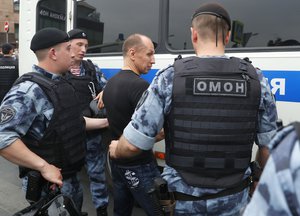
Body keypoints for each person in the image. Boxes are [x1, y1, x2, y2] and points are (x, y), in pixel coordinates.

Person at [109, 3, 278, 215]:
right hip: (235, 201)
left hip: (183, 203)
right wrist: (260, 180)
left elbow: (134, 144)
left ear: (194, 35)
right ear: (227, 37)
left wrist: (117, 149)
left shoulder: (170, 77)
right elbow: (268, 148)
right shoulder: (257, 79)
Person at [0, 27, 108, 215]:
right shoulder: (29, 90)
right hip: (48, 188)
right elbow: (3, 136)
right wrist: (43, 166)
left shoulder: (61, 84)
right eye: (68, 48)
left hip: (69, 179)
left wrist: (107, 122)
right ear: (53, 53)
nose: (73, 52)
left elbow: (73, 123)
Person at [103, 34, 161, 216]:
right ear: (132, 53)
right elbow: (155, 132)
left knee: (121, 210)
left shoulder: (110, 83)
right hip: (140, 165)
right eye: (149, 54)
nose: (153, 60)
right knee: (159, 210)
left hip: (117, 164)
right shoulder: (141, 86)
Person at [66, 28, 109, 216]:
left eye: (86, 46)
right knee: (70, 179)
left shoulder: (91, 68)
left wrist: (106, 92)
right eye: (79, 45)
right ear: (68, 46)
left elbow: (107, 86)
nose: (84, 49)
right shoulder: (59, 69)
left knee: (97, 175)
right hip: (69, 136)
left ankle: (101, 210)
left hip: (93, 135)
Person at [243, 122, 300, 215]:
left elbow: (266, 146)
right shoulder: (291, 149)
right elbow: (266, 144)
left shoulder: (290, 148)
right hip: (238, 194)